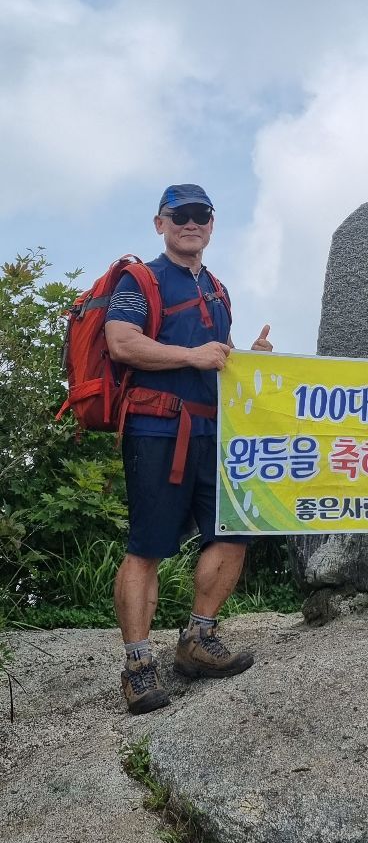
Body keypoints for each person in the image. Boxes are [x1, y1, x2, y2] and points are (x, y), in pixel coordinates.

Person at [105, 183, 273, 713]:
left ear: (212, 224)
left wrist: (250, 358)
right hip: (158, 429)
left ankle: (198, 639)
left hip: (214, 433)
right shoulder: (141, 280)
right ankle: (138, 665)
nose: (191, 223)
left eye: (202, 214)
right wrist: (192, 355)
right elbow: (121, 342)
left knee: (234, 531)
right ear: (161, 224)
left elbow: (217, 359)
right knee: (147, 546)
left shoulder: (218, 290)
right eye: (180, 216)